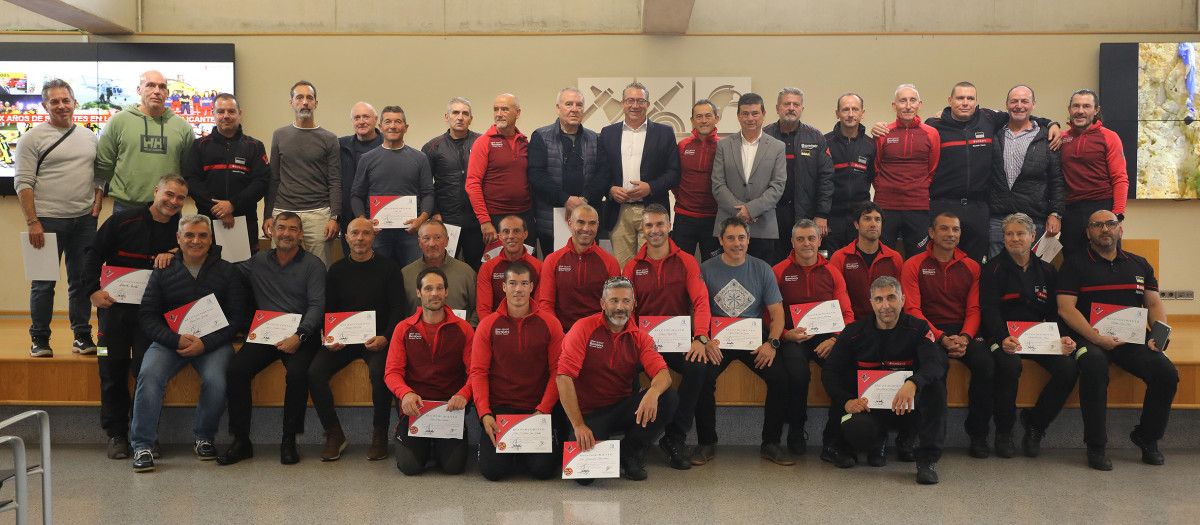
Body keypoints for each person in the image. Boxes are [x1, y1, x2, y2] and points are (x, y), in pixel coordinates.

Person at [1057, 210, 1176, 470]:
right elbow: (1066, 308)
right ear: (1088, 233)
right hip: (1090, 338)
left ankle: (1147, 437)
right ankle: (1096, 445)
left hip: (1133, 339)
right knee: (1094, 367)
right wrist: (1096, 339)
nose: (1105, 229)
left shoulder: (1139, 264)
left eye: (1111, 224)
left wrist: (1158, 335)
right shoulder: (1074, 264)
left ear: (1120, 229)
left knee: (1167, 373)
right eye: (1097, 225)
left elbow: (1154, 303)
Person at [129, 214, 245, 472]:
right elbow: (147, 316)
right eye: (189, 235)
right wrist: (175, 339)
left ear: (211, 239)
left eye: (202, 235)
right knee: (148, 375)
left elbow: (236, 319)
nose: (196, 241)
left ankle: (204, 438)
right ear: (179, 239)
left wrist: (205, 344)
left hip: (212, 345)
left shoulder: (228, 271)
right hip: (170, 343)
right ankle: (142, 446)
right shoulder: (162, 271)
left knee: (217, 381)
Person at [84, 174, 187, 459]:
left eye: (180, 198)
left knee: (146, 372)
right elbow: (92, 255)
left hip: (152, 317)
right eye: (169, 194)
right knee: (110, 370)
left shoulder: (183, 230)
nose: (174, 202)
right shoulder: (121, 221)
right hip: (112, 313)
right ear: (156, 191)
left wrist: (176, 251)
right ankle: (116, 434)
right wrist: (93, 291)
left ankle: (144, 436)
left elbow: (206, 252)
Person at [218, 211, 326, 466]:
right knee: (236, 370)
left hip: (302, 334)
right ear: (271, 232)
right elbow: (227, 273)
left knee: (298, 375)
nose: (286, 233)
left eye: (292, 229)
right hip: (265, 333)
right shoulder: (258, 260)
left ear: (300, 235)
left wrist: (299, 335)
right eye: (281, 228)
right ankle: (241, 440)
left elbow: (317, 306)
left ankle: (289, 440)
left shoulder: (313, 265)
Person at [821, 276, 948, 485]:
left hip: (906, 408)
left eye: (891, 297)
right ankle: (860, 444)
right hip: (868, 410)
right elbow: (830, 372)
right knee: (856, 427)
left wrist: (913, 382)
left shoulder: (919, 328)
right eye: (879, 300)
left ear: (903, 300)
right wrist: (846, 401)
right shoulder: (853, 332)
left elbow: (935, 363)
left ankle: (926, 460)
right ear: (871, 302)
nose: (885, 305)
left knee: (936, 388)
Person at [556, 277, 680, 482]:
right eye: (613, 301)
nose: (620, 307)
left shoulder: (641, 336)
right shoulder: (583, 328)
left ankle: (629, 453)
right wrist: (578, 424)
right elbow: (563, 378)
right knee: (584, 479)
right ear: (602, 304)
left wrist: (652, 393)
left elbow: (663, 374)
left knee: (668, 397)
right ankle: (595, 443)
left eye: (626, 301)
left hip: (622, 408)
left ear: (634, 304)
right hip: (588, 415)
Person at [16, 78, 103, 357]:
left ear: (75, 103)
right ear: (45, 105)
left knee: (81, 281)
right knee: (43, 283)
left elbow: (99, 174)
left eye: (66, 100)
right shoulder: (32, 138)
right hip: (46, 222)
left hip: (84, 222)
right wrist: (33, 221)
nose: (61, 106)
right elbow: (23, 183)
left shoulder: (89, 136)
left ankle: (81, 336)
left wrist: (97, 203)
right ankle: (39, 339)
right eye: (55, 101)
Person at [922, 82, 1058, 261]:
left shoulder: (988, 118)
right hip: (944, 204)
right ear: (950, 100)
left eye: (970, 98)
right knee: (939, 259)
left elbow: (1020, 114)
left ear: (977, 101)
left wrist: (1051, 123)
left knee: (975, 263)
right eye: (960, 98)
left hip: (978, 207)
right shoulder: (933, 126)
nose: (965, 102)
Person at [307, 218, 406, 462]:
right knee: (314, 372)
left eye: (366, 233)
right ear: (347, 237)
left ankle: (379, 433)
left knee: (380, 372)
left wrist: (385, 337)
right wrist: (328, 337)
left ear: (373, 237)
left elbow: (398, 310)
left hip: (377, 339)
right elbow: (328, 310)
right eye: (355, 233)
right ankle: (334, 434)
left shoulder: (389, 268)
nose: (360, 238)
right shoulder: (337, 270)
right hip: (343, 340)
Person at [980, 213, 1078, 458]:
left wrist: (1062, 337)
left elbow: (1054, 313)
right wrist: (1002, 337)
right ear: (1003, 238)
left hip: (1038, 338)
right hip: (1001, 337)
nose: (1015, 238)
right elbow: (989, 310)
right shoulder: (991, 270)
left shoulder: (1047, 271)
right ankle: (1004, 433)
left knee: (1068, 369)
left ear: (1033, 237)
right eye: (1009, 234)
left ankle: (1036, 423)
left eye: (1020, 233)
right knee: (1009, 366)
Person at [623, 204, 712, 470]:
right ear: (642, 228)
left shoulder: (686, 260)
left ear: (669, 226)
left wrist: (701, 337)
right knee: (622, 369)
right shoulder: (632, 266)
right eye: (649, 225)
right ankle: (634, 443)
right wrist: (634, 339)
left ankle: (675, 438)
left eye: (660, 224)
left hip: (678, 341)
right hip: (643, 343)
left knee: (699, 367)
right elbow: (626, 310)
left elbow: (701, 302)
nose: (654, 230)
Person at [694, 217, 790, 466]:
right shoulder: (705, 269)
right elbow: (697, 309)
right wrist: (705, 340)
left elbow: (778, 314)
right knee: (701, 375)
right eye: (730, 238)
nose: (736, 243)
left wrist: (772, 343)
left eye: (741, 238)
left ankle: (771, 442)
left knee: (780, 378)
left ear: (748, 240)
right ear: (720, 240)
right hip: (717, 339)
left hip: (753, 338)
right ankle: (706, 442)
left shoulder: (762, 269)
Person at [901, 212, 991, 457]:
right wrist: (940, 337)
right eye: (944, 229)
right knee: (933, 369)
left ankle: (978, 434)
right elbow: (912, 311)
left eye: (956, 230)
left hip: (963, 331)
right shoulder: (913, 264)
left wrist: (965, 338)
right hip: (926, 331)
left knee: (986, 365)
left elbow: (974, 309)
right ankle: (912, 435)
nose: (951, 234)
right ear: (931, 233)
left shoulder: (972, 266)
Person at [471, 261, 564, 481]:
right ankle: (513, 452)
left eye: (524, 283)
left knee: (543, 471)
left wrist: (542, 411)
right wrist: (485, 414)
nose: (518, 289)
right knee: (493, 472)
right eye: (512, 283)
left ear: (532, 286)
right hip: (500, 410)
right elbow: (479, 372)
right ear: (503, 287)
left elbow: (557, 372)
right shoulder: (488, 325)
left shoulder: (551, 324)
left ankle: (521, 451)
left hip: (536, 411)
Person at [772, 219, 854, 458]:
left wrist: (836, 339)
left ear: (819, 241)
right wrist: (785, 334)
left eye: (811, 238)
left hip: (827, 339)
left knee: (843, 374)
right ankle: (796, 430)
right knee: (797, 373)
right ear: (792, 242)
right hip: (793, 338)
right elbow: (767, 314)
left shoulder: (832, 272)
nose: (806, 243)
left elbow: (847, 314)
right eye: (800, 239)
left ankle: (834, 438)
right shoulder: (778, 271)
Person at [385, 267, 475, 476]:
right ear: (419, 293)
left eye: (439, 288)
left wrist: (464, 393)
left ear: (446, 292)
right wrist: (405, 394)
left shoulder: (464, 329)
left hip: (450, 410)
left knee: (453, 468)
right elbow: (392, 372)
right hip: (416, 409)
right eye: (428, 288)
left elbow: (475, 373)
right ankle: (415, 440)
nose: (434, 293)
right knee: (410, 468)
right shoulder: (403, 328)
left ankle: (440, 445)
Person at [598, 82, 681, 267]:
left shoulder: (665, 133)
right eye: (630, 100)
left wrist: (650, 187)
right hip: (619, 211)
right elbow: (601, 172)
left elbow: (674, 173)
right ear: (622, 103)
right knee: (622, 268)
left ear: (648, 104)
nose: (635, 105)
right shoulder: (607, 133)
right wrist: (610, 189)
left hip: (653, 210)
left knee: (654, 266)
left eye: (640, 101)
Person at [263, 80, 341, 268]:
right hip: (283, 210)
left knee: (321, 267)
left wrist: (334, 217)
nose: (305, 102)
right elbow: (273, 178)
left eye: (309, 98)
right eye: (299, 98)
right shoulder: (279, 135)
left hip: (319, 213)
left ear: (316, 103)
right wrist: (267, 215)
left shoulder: (329, 139)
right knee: (279, 266)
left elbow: (335, 180)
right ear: (292, 103)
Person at [95, 70, 195, 212]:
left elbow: (187, 167)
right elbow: (104, 164)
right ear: (139, 89)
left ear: (167, 93)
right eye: (150, 85)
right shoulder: (118, 121)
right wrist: (126, 186)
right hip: (126, 207)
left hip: (168, 208)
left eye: (162, 87)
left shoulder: (183, 127)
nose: (157, 91)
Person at [183, 93, 269, 255]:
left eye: (231, 111)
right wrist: (218, 209)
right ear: (213, 113)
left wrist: (232, 205)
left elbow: (261, 182)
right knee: (208, 272)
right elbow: (191, 181)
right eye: (221, 111)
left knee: (243, 272)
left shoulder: (255, 146)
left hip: (244, 222)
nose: (226, 116)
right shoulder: (199, 146)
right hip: (207, 222)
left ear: (239, 114)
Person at [987, 85, 1065, 259]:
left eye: (1024, 101)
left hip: (1035, 219)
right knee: (995, 272)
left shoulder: (1047, 137)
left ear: (1033, 105)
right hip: (997, 219)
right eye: (1014, 101)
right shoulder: (993, 133)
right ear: (1006, 105)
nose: (1019, 105)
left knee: (1034, 274)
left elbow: (1057, 180)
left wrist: (1056, 214)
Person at [350, 105, 434, 266]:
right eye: (388, 122)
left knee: (413, 276)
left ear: (406, 127)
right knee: (378, 277)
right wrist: (363, 222)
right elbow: (356, 194)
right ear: (380, 127)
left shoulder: (420, 158)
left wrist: (421, 220)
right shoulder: (367, 159)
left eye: (398, 122)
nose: (393, 126)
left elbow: (428, 193)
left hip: (411, 232)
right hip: (377, 233)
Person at [527, 87, 606, 256]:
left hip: (587, 220)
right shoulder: (541, 136)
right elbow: (536, 175)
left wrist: (583, 199)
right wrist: (565, 199)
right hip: (551, 220)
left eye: (579, 105)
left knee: (588, 270)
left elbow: (603, 174)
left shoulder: (594, 139)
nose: (574, 109)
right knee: (555, 269)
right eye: (569, 104)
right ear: (558, 108)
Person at [711, 93, 787, 262]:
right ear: (738, 116)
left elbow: (778, 186)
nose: (750, 118)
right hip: (728, 227)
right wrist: (741, 212)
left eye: (755, 113)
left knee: (761, 280)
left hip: (763, 227)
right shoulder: (723, 145)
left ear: (764, 115)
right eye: (745, 113)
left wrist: (751, 210)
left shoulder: (777, 147)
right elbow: (718, 184)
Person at [763, 88, 833, 264]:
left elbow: (826, 178)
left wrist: (822, 214)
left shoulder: (815, 137)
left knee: (803, 263)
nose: (791, 108)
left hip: (805, 213)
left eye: (796, 104)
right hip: (772, 214)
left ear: (802, 109)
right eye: (787, 104)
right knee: (773, 263)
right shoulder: (764, 136)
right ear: (778, 107)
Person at [1059, 90, 1129, 258]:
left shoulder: (1109, 137)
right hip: (1071, 211)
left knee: (1107, 260)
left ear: (1096, 110)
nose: (1080, 111)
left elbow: (1120, 178)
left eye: (1086, 106)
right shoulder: (1061, 138)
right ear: (1069, 109)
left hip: (1102, 206)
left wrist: (1117, 215)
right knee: (1073, 262)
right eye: (1076, 106)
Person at [873, 84, 939, 259]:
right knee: (883, 258)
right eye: (903, 101)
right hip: (886, 207)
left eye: (912, 100)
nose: (908, 106)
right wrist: (886, 188)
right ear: (894, 105)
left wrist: (917, 188)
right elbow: (875, 169)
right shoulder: (884, 133)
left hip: (918, 207)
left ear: (920, 104)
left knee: (918, 259)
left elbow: (932, 170)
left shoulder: (931, 133)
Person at [537, 205, 620, 331]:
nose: (586, 228)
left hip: (597, 334)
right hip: (562, 334)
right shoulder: (552, 260)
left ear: (597, 226)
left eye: (591, 223)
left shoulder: (610, 262)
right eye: (581, 222)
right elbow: (546, 305)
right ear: (570, 223)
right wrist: (558, 334)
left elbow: (613, 306)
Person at [465, 93, 531, 251]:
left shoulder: (524, 142)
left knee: (525, 268)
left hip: (524, 216)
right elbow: (472, 184)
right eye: (496, 109)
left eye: (505, 109)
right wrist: (484, 221)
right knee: (495, 270)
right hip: (494, 219)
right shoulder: (483, 143)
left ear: (518, 113)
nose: (499, 114)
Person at [423, 98, 483, 269]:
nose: (460, 117)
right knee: (444, 268)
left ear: (471, 118)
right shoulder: (432, 147)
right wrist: (434, 213)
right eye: (455, 112)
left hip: (477, 222)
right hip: (446, 222)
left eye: (465, 113)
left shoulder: (482, 143)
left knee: (477, 270)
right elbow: (425, 185)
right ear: (447, 116)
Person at [828, 202, 904, 321]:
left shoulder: (895, 258)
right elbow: (835, 301)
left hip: (886, 325)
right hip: (851, 326)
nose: (873, 224)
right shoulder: (839, 257)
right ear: (856, 224)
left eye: (877, 220)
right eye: (867, 219)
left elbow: (898, 300)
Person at [823, 92, 876, 252]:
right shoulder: (824, 143)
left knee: (856, 265)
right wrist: (821, 215)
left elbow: (873, 178)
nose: (850, 114)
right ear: (837, 113)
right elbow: (818, 182)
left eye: (855, 109)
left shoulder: (870, 145)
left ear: (862, 113)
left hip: (859, 220)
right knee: (829, 265)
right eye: (845, 109)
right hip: (830, 220)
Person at [401, 220, 479, 325]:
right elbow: (400, 313)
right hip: (416, 338)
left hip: (458, 337)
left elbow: (477, 308)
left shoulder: (466, 273)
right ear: (419, 242)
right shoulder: (405, 275)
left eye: (437, 238)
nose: (432, 243)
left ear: (447, 241)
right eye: (426, 238)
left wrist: (469, 329)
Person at [672, 99, 722, 261]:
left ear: (717, 118)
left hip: (714, 219)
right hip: (684, 218)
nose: (703, 120)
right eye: (699, 116)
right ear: (692, 121)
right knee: (681, 266)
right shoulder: (683, 145)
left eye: (708, 116)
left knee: (713, 266)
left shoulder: (724, 147)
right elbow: (675, 178)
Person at [475, 215, 541, 321]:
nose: (511, 236)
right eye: (506, 231)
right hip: (497, 328)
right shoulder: (487, 268)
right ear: (500, 236)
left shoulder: (539, 267)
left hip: (530, 325)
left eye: (516, 231)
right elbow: (484, 310)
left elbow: (540, 308)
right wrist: (494, 330)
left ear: (525, 234)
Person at [338, 102, 383, 257]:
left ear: (376, 119)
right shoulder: (340, 146)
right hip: (348, 220)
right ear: (352, 121)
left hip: (381, 219)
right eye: (357, 117)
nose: (361, 121)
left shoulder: (388, 145)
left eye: (366, 116)